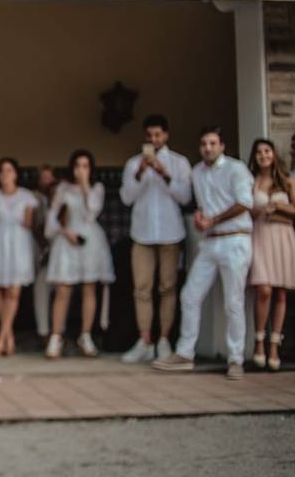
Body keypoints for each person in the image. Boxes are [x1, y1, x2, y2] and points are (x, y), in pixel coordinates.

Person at [153, 126, 254, 380]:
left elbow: (244, 203)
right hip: (209, 242)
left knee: (233, 302)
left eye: (212, 143)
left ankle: (235, 359)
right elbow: (202, 205)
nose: (207, 148)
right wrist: (201, 219)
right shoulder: (197, 172)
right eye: (203, 144)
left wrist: (214, 219)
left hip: (235, 239)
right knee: (189, 295)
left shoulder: (236, 168)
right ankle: (185, 353)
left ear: (221, 146)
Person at [119, 114, 192, 364]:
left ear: (166, 135)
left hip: (171, 232)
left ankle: (164, 339)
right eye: (149, 135)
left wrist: (164, 174)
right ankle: (145, 340)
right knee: (142, 288)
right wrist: (140, 173)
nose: (153, 139)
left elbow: (185, 197)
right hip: (142, 234)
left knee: (168, 287)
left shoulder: (179, 162)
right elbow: (126, 198)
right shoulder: (132, 164)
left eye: (158, 135)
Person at [45, 149, 114, 359]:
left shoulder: (97, 188)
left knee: (89, 287)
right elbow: (52, 218)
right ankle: (56, 336)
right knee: (63, 289)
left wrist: (85, 187)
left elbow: (92, 211)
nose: (81, 170)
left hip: (90, 241)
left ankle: (86, 336)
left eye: (85, 166)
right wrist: (65, 232)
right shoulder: (63, 189)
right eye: (77, 166)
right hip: (67, 239)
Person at [0, 158, 38, 356]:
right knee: (0, 291)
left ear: (16, 174)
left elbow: (29, 224)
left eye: (9, 170)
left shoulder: (26, 196)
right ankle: (8, 336)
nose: (5, 175)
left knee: (14, 290)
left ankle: (2, 336)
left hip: (18, 244)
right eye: (2, 171)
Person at [246, 139, 295, 371]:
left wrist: (278, 208)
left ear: (274, 154)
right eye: (258, 152)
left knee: (280, 292)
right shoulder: (251, 181)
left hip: (283, 236)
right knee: (263, 289)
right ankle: (258, 342)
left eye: (266, 151)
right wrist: (259, 211)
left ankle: (275, 344)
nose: (262, 155)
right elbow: (246, 210)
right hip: (260, 235)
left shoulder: (286, 181)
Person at [32, 165, 58, 342]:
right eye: (43, 178)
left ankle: (59, 331)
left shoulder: (65, 207)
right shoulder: (36, 200)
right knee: (41, 286)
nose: (47, 182)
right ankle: (43, 332)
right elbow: (38, 231)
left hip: (68, 261)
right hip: (46, 257)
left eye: (49, 178)